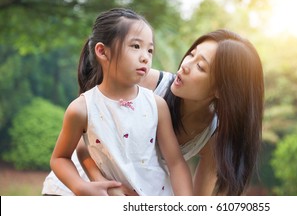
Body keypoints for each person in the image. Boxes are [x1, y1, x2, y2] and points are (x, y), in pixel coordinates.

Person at [43, 28, 264, 196]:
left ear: (221, 89)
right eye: (192, 54)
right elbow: (84, 142)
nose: (185, 65)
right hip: (78, 186)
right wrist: (104, 186)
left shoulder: (212, 135)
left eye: (201, 66)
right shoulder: (146, 84)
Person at [49, 8, 193, 196]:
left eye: (150, 50)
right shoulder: (82, 109)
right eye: (135, 46)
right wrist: (80, 186)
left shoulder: (156, 105)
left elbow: (176, 163)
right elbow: (59, 158)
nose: (145, 57)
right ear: (102, 51)